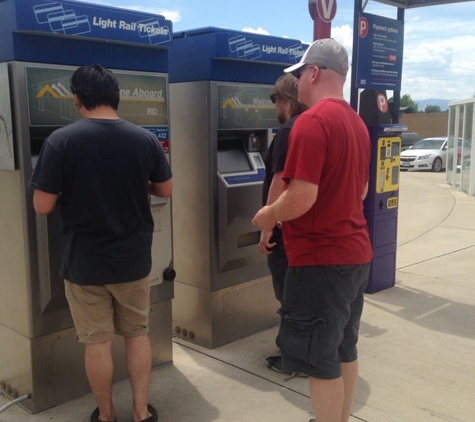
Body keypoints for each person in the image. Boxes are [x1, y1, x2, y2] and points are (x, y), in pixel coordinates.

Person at [29, 64, 172, 422]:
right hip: (133, 260)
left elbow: (42, 205)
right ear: (116, 97)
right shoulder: (145, 140)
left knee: (97, 343)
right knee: (137, 335)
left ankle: (106, 415)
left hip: (85, 264)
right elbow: (166, 190)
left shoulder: (60, 141)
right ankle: (141, 412)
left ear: (77, 99)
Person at [252, 38, 373, 422]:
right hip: (356, 257)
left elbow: (301, 196)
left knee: (319, 360)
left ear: (315, 73)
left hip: (321, 262)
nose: (298, 82)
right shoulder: (356, 124)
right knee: (343, 350)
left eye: (300, 74)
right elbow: (363, 189)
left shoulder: (311, 123)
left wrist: (268, 214)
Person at [259, 73, 307, 374]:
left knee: (287, 296)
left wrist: (267, 227)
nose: (274, 106)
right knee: (299, 294)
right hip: (302, 228)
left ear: (284, 100)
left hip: (283, 231)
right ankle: (297, 350)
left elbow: (279, 181)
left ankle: (294, 357)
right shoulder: (308, 126)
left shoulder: (288, 132)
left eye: (274, 100)